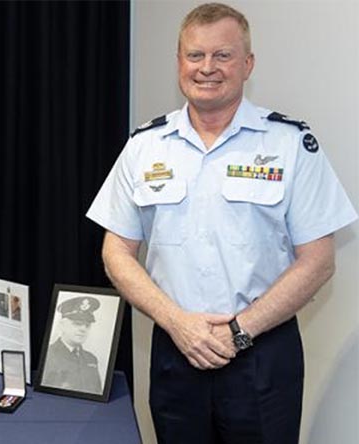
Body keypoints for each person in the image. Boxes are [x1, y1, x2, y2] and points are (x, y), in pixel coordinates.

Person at [86, 3, 357, 443]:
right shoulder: (145, 146)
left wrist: (239, 331)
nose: (207, 68)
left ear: (247, 64)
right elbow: (115, 252)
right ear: (179, 63)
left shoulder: (289, 144)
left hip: (263, 355)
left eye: (223, 55)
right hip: (175, 350)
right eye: (195, 56)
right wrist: (176, 321)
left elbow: (318, 261)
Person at [40, 296, 102, 394]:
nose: (83, 329)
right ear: (62, 325)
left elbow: (97, 392)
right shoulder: (48, 355)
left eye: (87, 325)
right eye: (77, 323)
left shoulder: (91, 359)